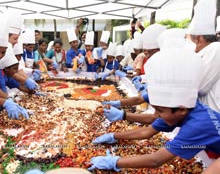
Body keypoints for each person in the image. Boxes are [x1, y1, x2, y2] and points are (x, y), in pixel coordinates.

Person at [89, 47, 220, 172]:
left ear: (182, 110)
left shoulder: (198, 124)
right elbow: (146, 132)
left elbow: (156, 160)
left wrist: (115, 162)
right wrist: (114, 135)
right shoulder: (178, 110)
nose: (156, 115)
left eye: (160, 111)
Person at [188, 0, 220, 113]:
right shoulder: (209, 51)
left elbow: (201, 87)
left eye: (193, 43)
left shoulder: (216, 49)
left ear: (199, 39)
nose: (194, 49)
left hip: (215, 114)